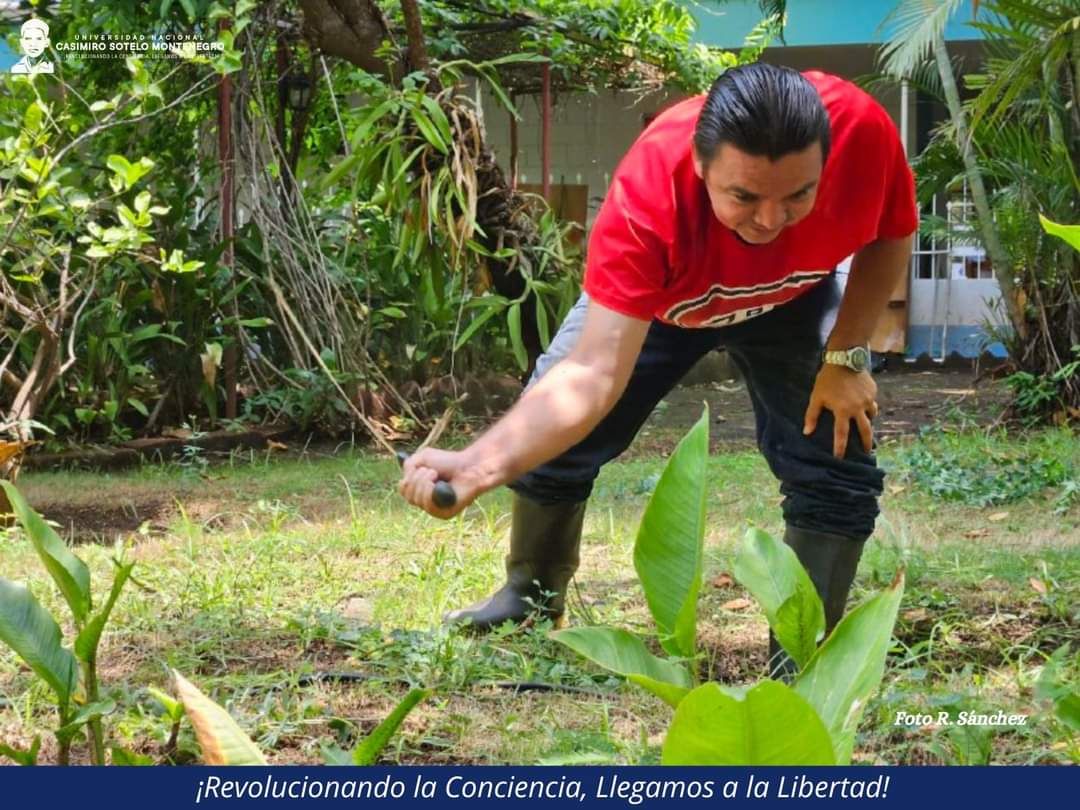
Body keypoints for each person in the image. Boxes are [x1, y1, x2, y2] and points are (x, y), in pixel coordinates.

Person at [399, 63, 917, 675]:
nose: (771, 221)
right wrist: (476, 468)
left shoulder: (863, 132)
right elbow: (590, 374)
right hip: (667, 306)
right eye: (744, 196)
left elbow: (889, 234)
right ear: (700, 166)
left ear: (826, 161)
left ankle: (805, 656)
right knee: (561, 438)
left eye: (798, 195)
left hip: (794, 299)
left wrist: (845, 357)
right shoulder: (650, 194)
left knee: (836, 456)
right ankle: (529, 599)